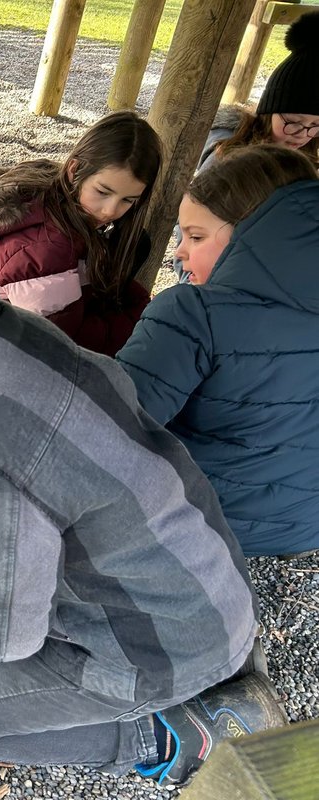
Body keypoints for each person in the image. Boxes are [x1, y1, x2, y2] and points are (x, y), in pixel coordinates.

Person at [0, 186, 286, 785]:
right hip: (210, 586)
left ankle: (178, 732)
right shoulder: (18, 328)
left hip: (161, 649)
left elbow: (5, 639)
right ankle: (217, 675)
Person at [119, 145, 319, 557]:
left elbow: (108, 426)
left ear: (257, 238)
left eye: (195, 236)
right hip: (304, 524)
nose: (179, 251)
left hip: (200, 522)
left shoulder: (193, 313)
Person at [0, 110, 161, 356]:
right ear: (74, 170)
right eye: (103, 192)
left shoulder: (50, 195)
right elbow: (63, 345)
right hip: (4, 350)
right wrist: (139, 317)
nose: (110, 210)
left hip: (10, 322)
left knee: (138, 244)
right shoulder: (47, 249)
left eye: (128, 200)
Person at [170, 11, 319, 280]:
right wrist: (190, 277)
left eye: (315, 125)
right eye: (293, 121)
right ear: (269, 110)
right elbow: (193, 223)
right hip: (214, 273)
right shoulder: (229, 154)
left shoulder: (308, 159)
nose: (302, 134)